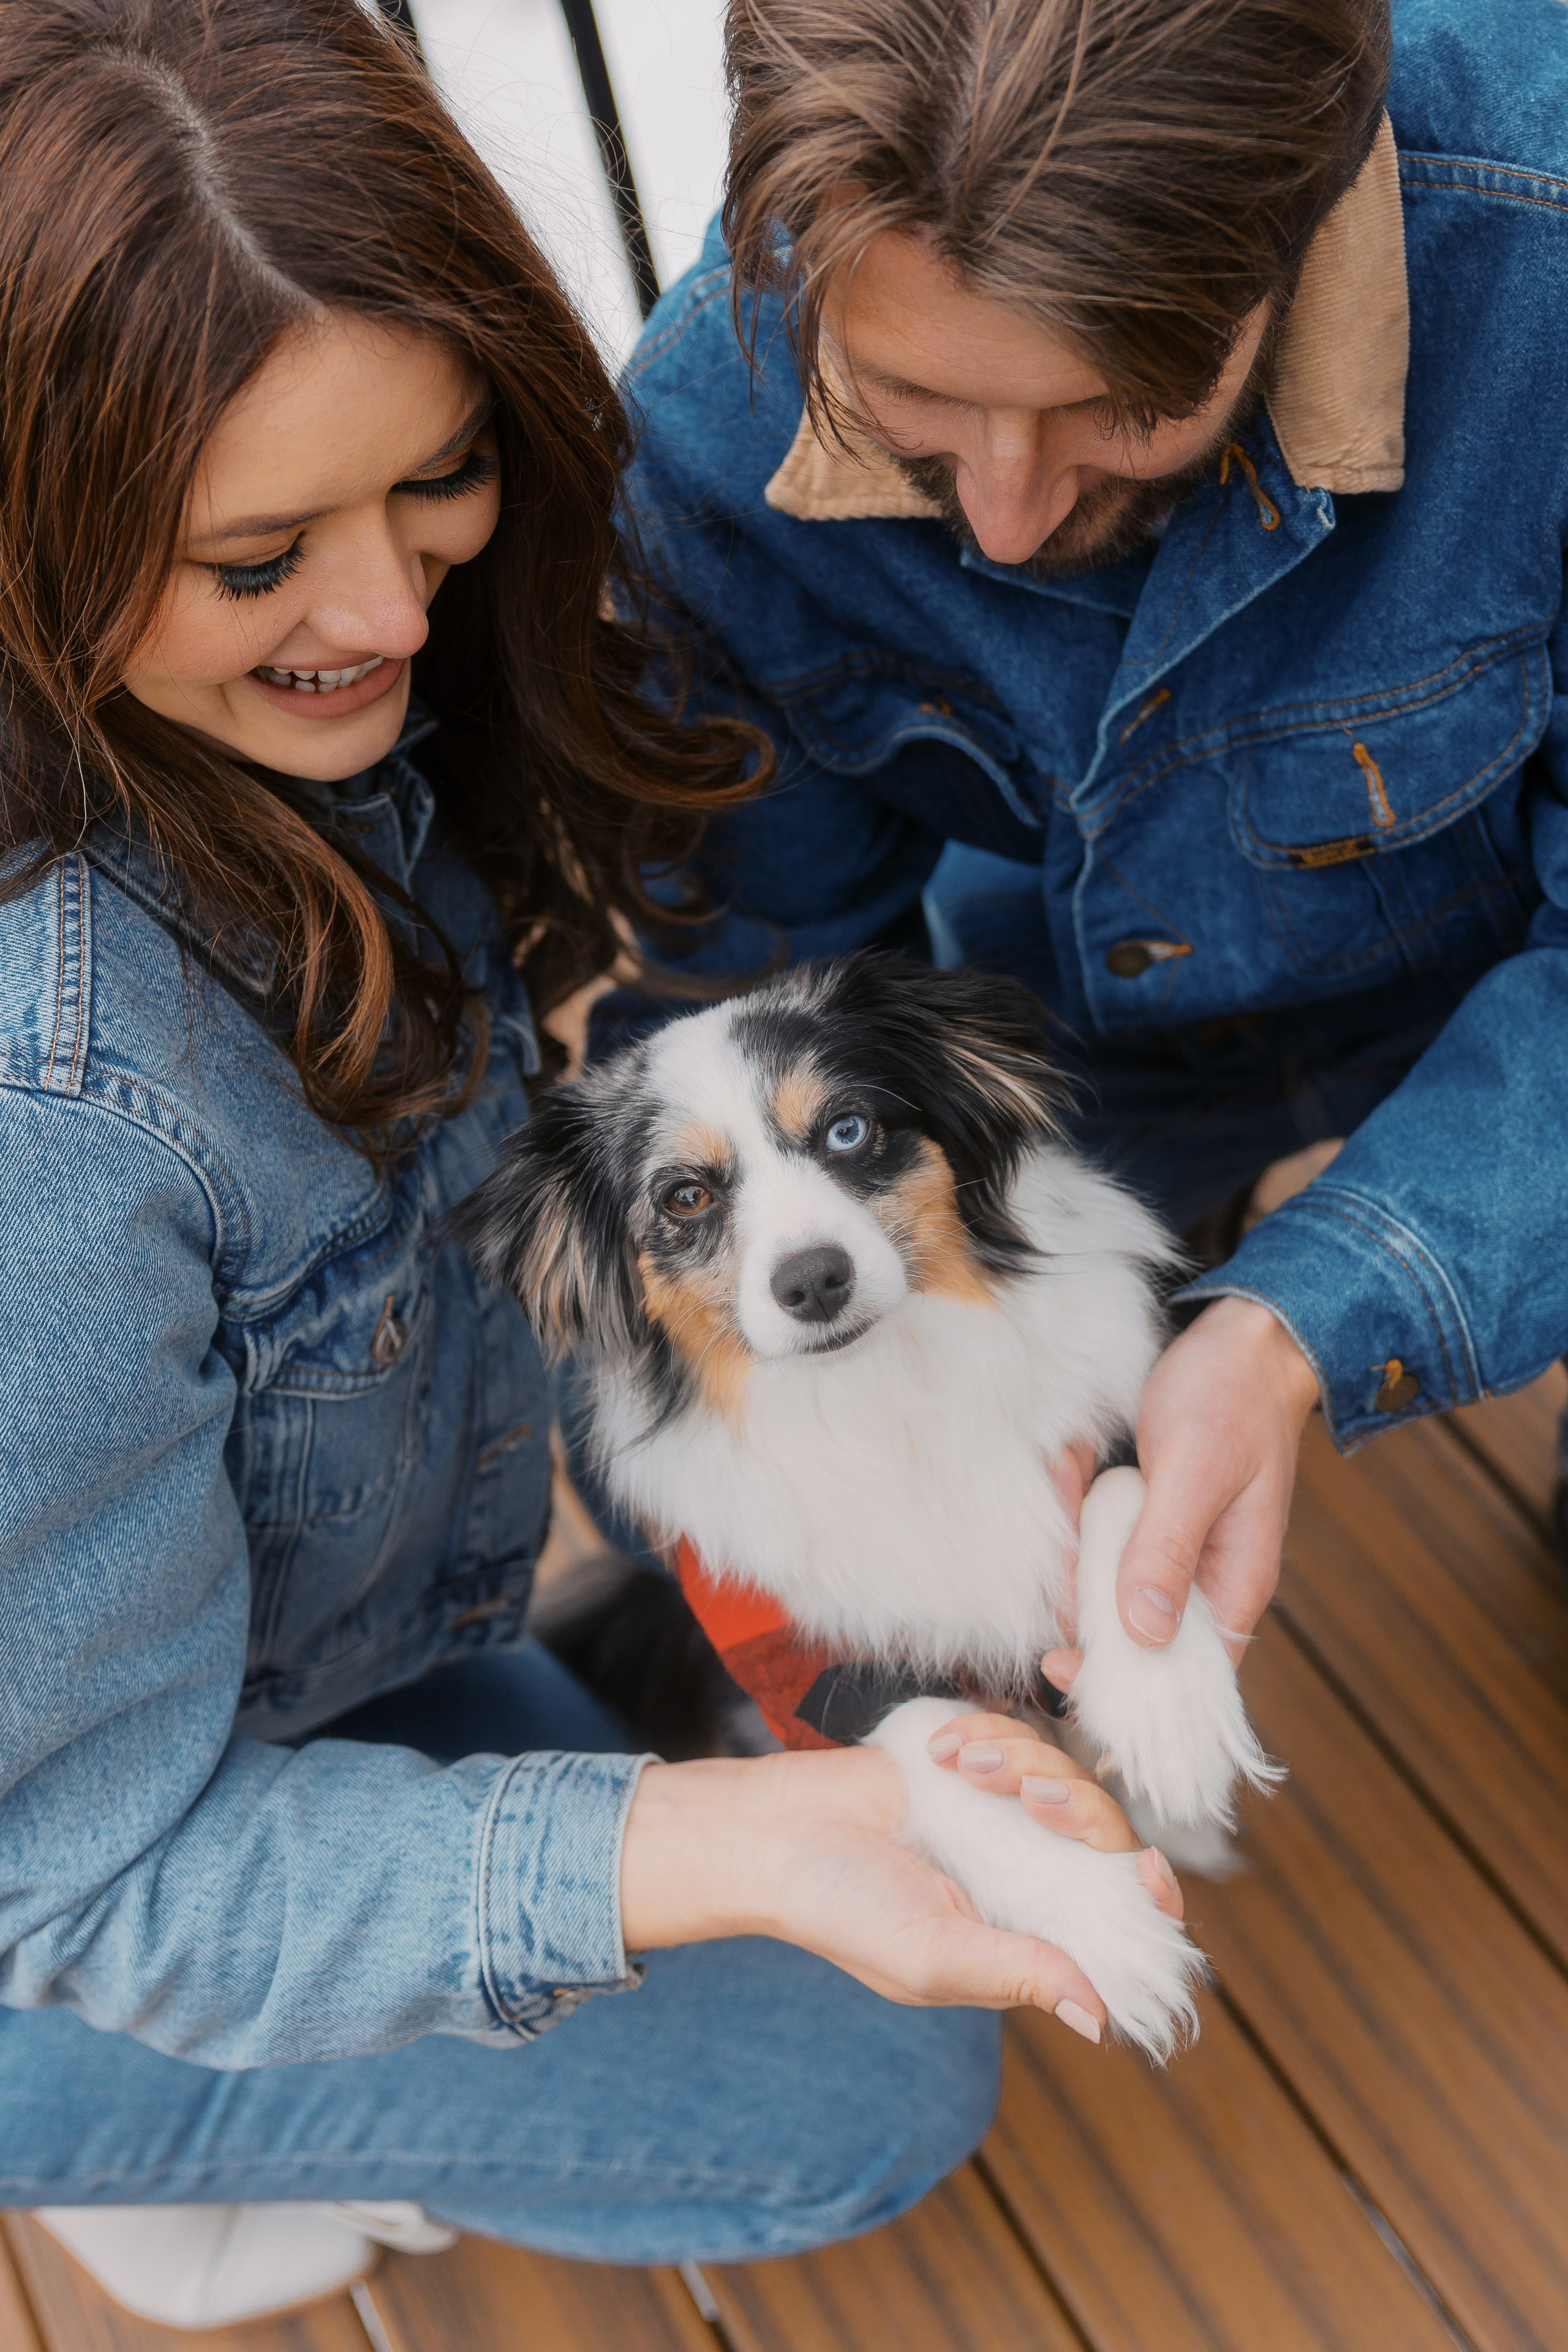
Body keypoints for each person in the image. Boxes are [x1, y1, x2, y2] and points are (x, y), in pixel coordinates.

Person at [0, 0, 1183, 2329]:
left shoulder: (302, 762)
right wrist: (737, 1831)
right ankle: (130, 2148)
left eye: (436, 477)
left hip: (311, 1661)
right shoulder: (50, 1126)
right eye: (258, 563)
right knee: (855, 2095)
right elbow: (93, 1879)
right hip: (69, 1870)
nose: (390, 614)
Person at [614, 0, 1568, 1673]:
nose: (1002, 512)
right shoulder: (703, 445)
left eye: (1117, 407)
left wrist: (1294, 1327)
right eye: (911, 398)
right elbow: (754, 983)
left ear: (1311, 209)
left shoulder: (1540, 249)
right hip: (1063, 1008)